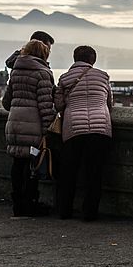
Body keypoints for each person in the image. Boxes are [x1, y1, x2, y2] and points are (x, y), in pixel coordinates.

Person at [54, 45, 113, 221]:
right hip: (100, 128)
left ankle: (65, 211)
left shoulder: (65, 78)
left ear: (74, 58)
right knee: (94, 173)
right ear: (93, 60)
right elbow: (109, 102)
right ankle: (90, 213)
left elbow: (58, 105)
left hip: (74, 129)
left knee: (69, 172)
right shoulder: (103, 76)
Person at [2, 39, 56, 217]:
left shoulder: (15, 71)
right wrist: (47, 130)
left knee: (17, 164)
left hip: (13, 125)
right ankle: (30, 203)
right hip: (32, 127)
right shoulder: (43, 73)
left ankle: (17, 204)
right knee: (32, 164)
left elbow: (6, 102)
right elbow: (45, 105)